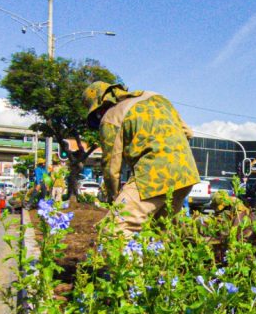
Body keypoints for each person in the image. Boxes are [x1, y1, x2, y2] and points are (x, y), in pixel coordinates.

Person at [82, 81, 200, 237]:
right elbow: (188, 133)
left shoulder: (111, 116)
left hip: (153, 174)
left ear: (99, 108)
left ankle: (131, 262)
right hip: (186, 172)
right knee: (160, 231)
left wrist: (114, 196)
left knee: (114, 229)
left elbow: (111, 165)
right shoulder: (156, 97)